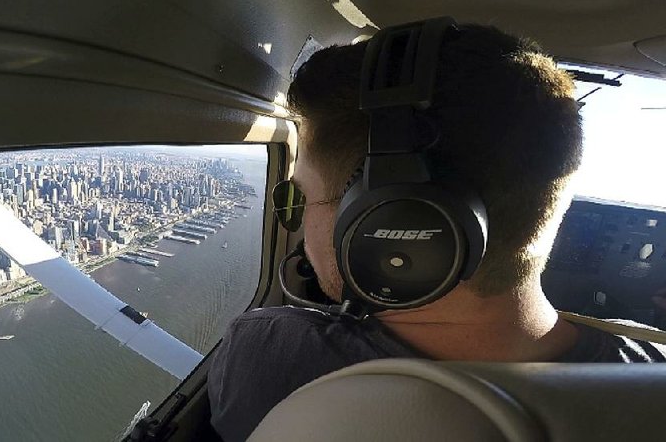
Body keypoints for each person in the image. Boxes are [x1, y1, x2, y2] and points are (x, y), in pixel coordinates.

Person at [208, 22, 666, 441]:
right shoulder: (650, 372)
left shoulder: (267, 353)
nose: (295, 220)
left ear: (391, 223)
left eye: (299, 198)